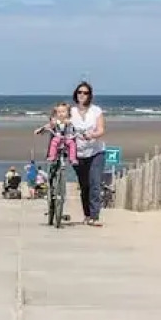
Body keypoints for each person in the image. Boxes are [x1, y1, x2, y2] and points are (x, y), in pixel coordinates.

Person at [68, 80, 107, 226]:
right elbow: (58, 121)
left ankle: (95, 216)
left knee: (95, 183)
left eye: (85, 93)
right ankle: (87, 214)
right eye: (80, 92)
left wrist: (93, 135)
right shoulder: (71, 112)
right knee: (84, 185)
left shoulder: (96, 110)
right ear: (76, 94)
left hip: (96, 152)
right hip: (78, 153)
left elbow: (101, 129)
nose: (82, 95)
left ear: (90, 95)